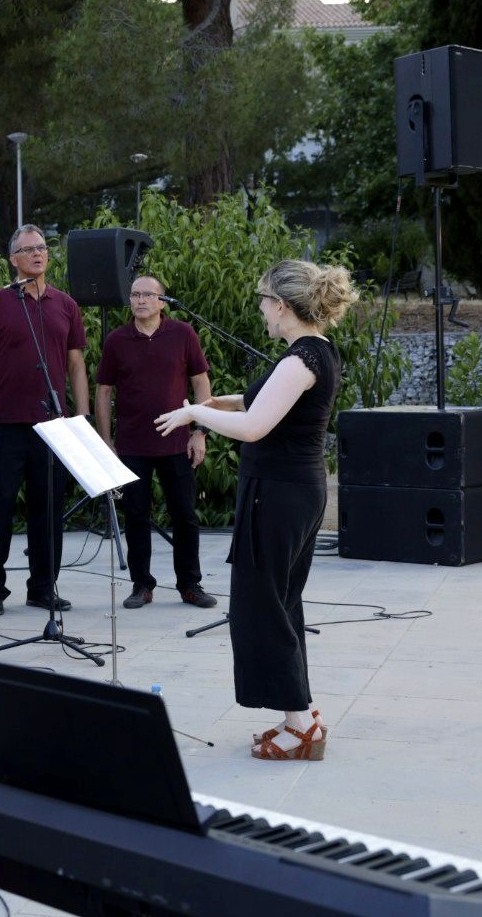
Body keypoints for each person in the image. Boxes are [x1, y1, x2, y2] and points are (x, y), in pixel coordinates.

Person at [154, 259, 359, 762]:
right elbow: (254, 402)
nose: (262, 311)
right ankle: (303, 716)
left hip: (281, 494)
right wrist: (209, 402)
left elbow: (254, 427)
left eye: (264, 302)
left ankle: (299, 725)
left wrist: (193, 414)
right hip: (292, 491)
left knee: (263, 607)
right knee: (281, 601)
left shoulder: (299, 361)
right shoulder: (313, 353)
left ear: (283, 305)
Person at [0, 224, 89, 616]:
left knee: (49, 509)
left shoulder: (66, 305)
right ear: (13, 259)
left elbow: (76, 364)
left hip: (53, 425)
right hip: (4, 424)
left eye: (42, 247)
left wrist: (82, 419)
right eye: (28, 249)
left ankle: (43, 587)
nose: (38, 254)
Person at [94, 274, 217, 610]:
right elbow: (104, 391)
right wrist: (106, 440)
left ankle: (190, 585)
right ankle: (141, 585)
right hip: (132, 444)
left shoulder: (183, 334)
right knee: (136, 516)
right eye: (134, 294)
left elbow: (201, 384)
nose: (140, 300)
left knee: (185, 516)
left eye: (148, 294)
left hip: (178, 442)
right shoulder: (117, 340)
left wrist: (200, 431)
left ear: (163, 301)